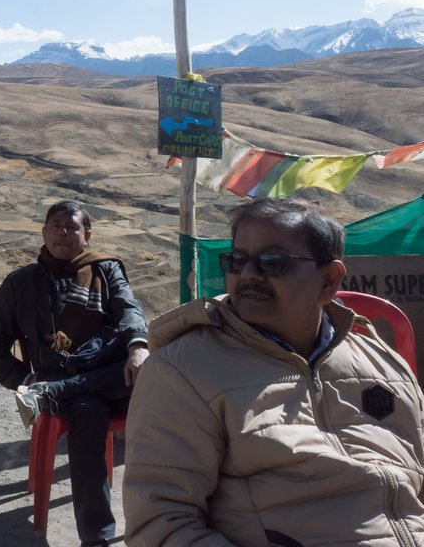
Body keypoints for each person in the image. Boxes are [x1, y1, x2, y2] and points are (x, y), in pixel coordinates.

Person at [123, 197, 424, 546]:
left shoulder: (383, 362)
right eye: (237, 261)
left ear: (329, 280)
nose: (248, 274)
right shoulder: (183, 370)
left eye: (273, 263)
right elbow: (161, 525)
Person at [0, 200, 149, 546]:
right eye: (56, 225)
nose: (63, 233)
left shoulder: (106, 270)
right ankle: (97, 537)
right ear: (43, 233)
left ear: (87, 235)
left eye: (72, 227)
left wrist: (138, 347)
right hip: (63, 381)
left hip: (114, 376)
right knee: (89, 412)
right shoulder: (21, 283)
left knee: (165, 377)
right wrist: (23, 380)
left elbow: (129, 309)